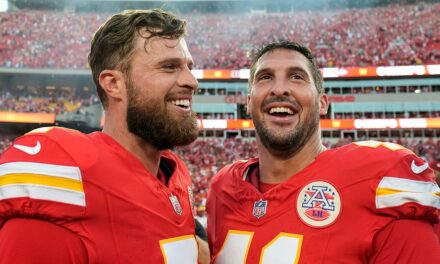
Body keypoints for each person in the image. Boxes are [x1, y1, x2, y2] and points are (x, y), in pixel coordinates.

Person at [0, 9, 206, 263]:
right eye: (169, 67)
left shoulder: (176, 176)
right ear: (113, 84)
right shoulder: (67, 180)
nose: (191, 81)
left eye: (188, 67)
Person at [206, 41, 440, 263]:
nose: (279, 89)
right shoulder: (223, 189)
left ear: (323, 103)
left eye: (297, 77)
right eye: (265, 78)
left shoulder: (378, 184)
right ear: (248, 102)